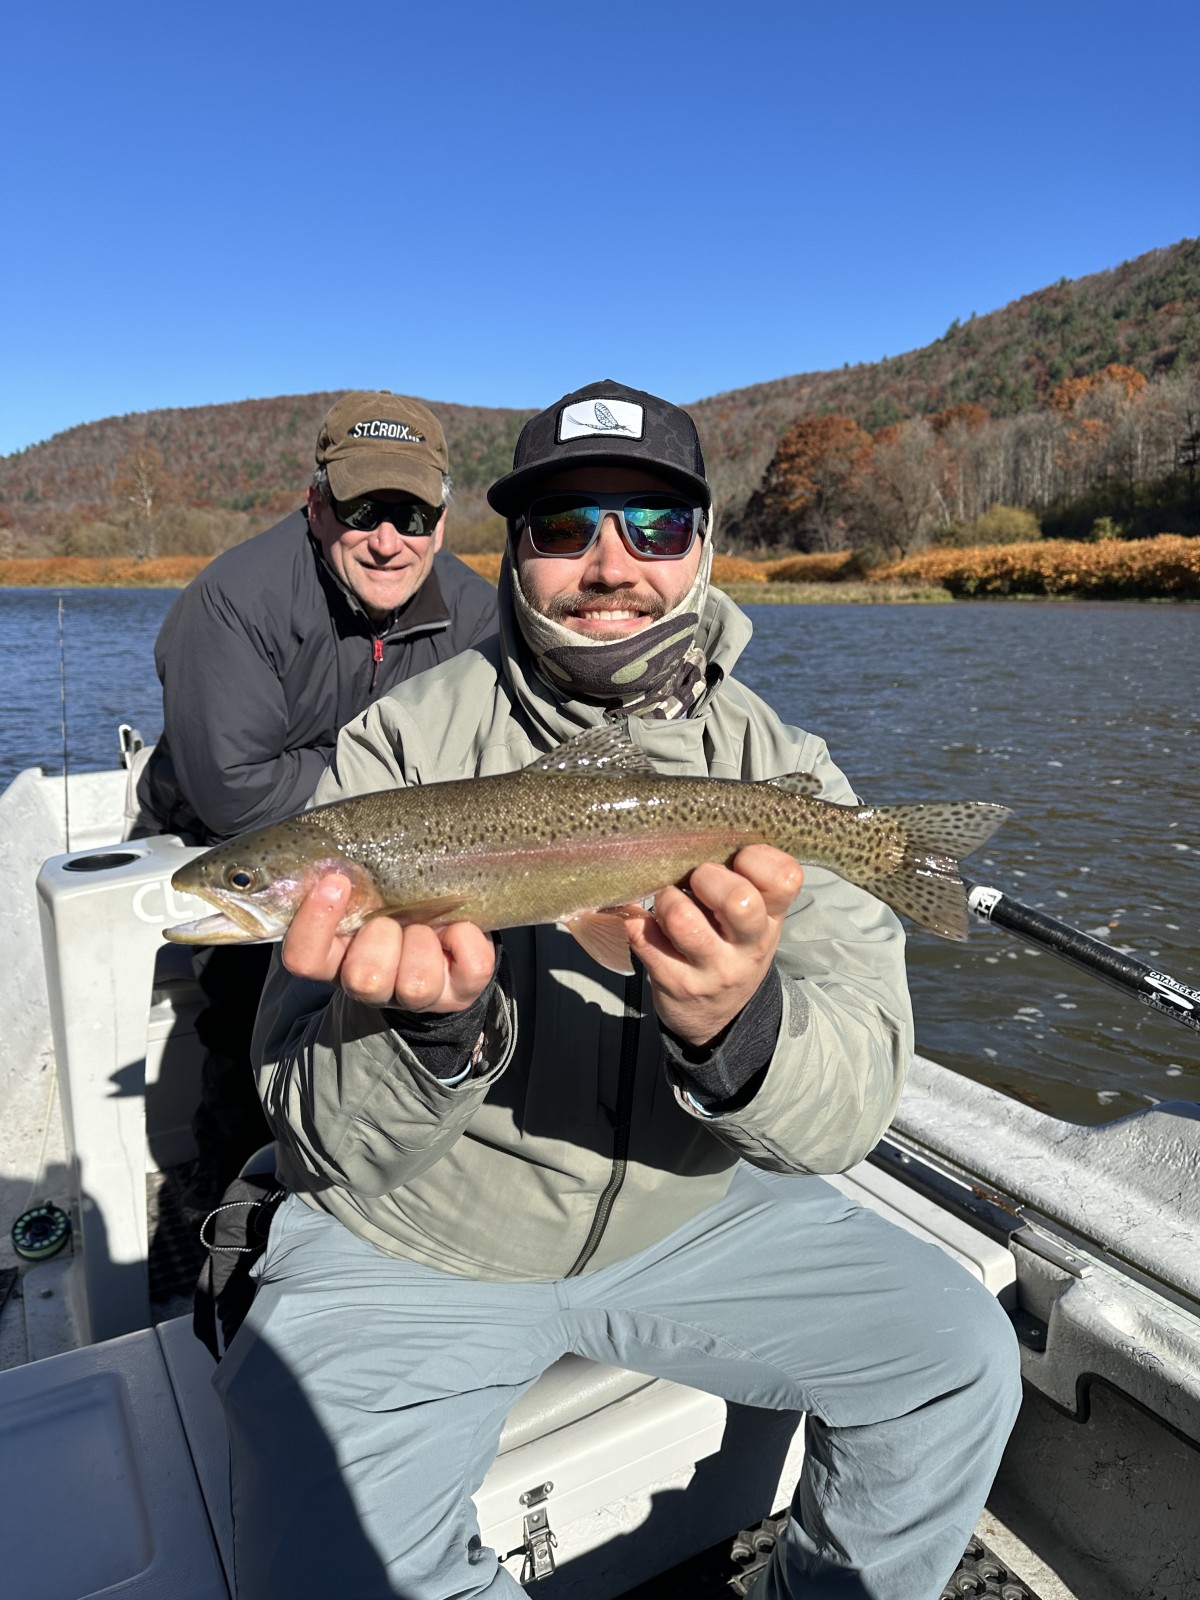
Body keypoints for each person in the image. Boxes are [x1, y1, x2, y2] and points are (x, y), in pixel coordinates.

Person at [219, 380, 1021, 1599]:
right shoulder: (395, 750)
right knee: (328, 1571)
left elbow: (853, 1103)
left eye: (653, 527)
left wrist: (738, 1032)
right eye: (563, 527)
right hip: (419, 1233)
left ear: (704, 549)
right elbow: (307, 1123)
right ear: (512, 555)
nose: (609, 563)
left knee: (965, 1357)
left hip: (690, 1214)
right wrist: (425, 1035)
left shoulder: (788, 773)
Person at [135, 391, 498, 1213]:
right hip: (232, 848)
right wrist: (406, 790)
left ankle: (415, 1168)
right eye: (361, 507)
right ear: (316, 505)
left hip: (400, 849)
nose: (386, 538)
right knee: (244, 1012)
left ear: (441, 521)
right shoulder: (233, 603)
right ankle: (231, 1192)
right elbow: (236, 790)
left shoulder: (478, 612)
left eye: (410, 513)